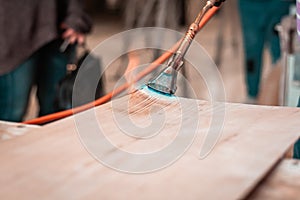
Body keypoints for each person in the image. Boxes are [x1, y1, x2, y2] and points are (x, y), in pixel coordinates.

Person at [0, 0, 92, 122]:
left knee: (56, 114)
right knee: (11, 116)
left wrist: (77, 13)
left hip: (58, 29)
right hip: (11, 32)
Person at [238, 0, 293, 104]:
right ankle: (252, 94)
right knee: (252, 51)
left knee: (279, 53)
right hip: (250, 5)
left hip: (279, 5)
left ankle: (280, 95)